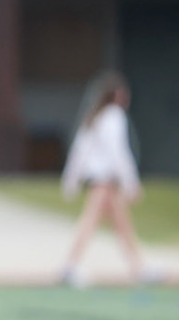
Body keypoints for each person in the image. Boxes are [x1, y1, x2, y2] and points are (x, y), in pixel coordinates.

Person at [58, 71, 157, 286]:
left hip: (101, 181)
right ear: (118, 95)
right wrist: (131, 182)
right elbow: (118, 152)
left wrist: (71, 179)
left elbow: (79, 150)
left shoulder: (95, 116)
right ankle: (70, 266)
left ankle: (138, 267)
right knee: (91, 222)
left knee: (122, 225)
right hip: (104, 181)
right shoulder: (113, 116)